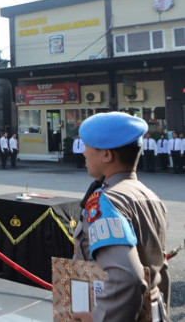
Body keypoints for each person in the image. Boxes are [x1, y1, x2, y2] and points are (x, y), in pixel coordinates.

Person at [72, 112, 169, 322]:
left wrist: (100, 319)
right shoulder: (150, 196)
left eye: (87, 146)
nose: (83, 152)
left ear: (106, 155)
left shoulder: (105, 201)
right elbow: (161, 269)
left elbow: (127, 277)